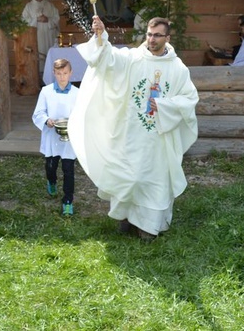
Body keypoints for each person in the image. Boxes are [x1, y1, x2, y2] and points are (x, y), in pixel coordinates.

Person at [68, 16, 198, 240]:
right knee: (129, 175)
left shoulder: (178, 69)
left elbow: (189, 99)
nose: (152, 39)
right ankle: (127, 217)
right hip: (130, 132)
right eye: (149, 34)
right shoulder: (133, 58)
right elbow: (108, 60)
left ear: (167, 37)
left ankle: (149, 226)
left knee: (153, 178)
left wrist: (165, 106)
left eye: (157, 35)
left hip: (158, 137)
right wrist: (101, 35)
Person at [32, 58, 79, 216]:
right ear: (54, 73)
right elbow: (38, 113)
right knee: (50, 166)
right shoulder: (46, 92)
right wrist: (46, 120)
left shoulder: (77, 93)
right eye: (58, 73)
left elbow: (82, 114)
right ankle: (51, 181)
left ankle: (68, 201)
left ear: (70, 73)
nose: (62, 77)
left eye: (65, 73)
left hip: (69, 138)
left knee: (68, 170)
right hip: (52, 135)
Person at [22, 0, 60, 74]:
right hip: (36, 36)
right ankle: (37, 78)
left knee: (48, 56)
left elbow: (56, 18)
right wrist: (36, 19)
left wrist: (48, 20)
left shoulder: (50, 5)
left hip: (48, 36)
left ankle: (49, 76)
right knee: (38, 57)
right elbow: (24, 20)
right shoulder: (29, 6)